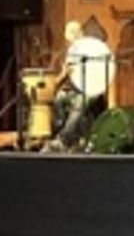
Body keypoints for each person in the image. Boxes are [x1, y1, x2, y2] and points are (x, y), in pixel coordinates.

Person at [47, 21, 109, 152]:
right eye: (70, 36)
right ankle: (65, 134)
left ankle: (63, 140)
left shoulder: (92, 52)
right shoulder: (63, 55)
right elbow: (55, 81)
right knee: (59, 98)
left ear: (81, 34)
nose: (73, 39)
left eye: (76, 34)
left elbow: (100, 75)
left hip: (90, 90)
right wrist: (64, 73)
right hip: (70, 90)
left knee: (79, 103)